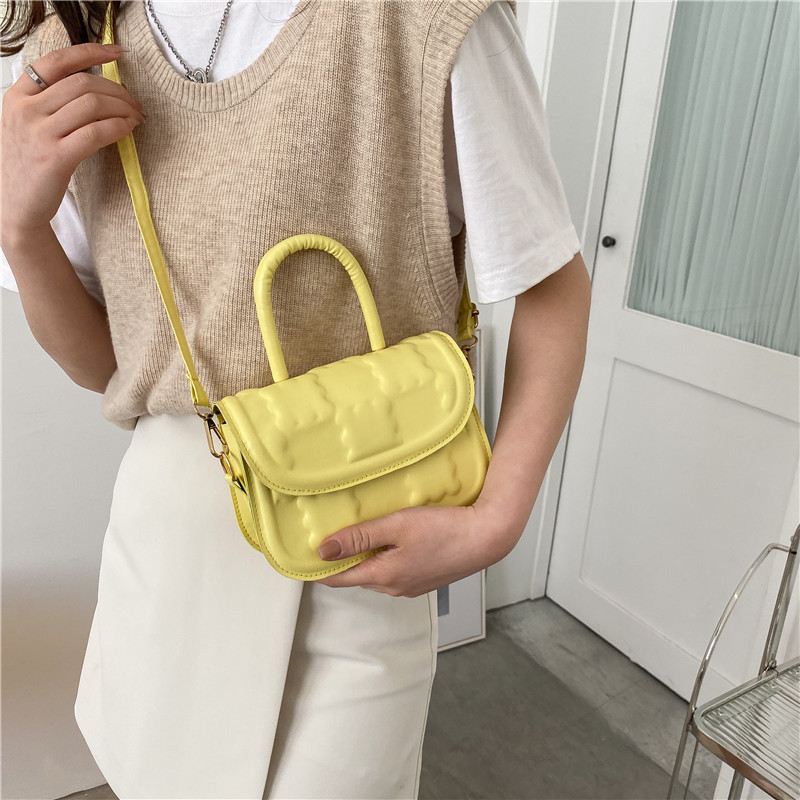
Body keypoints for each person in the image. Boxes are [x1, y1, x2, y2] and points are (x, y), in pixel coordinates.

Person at [0, 1, 591, 797]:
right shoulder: (72, 44)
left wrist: (497, 519)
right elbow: (107, 363)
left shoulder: (425, 20)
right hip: (166, 539)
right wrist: (19, 229)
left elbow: (551, 287)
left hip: (356, 533)